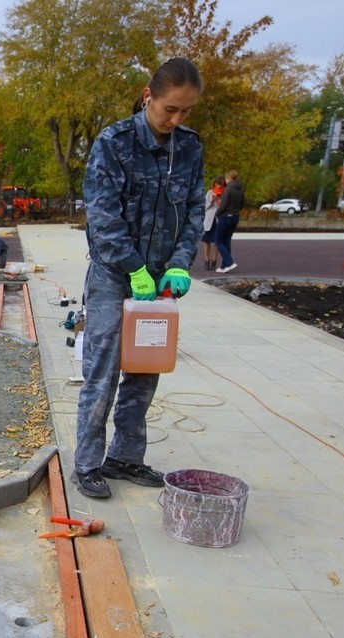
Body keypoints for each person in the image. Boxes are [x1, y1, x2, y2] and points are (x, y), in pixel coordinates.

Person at [74, 57, 205, 500]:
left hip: (161, 278)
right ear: (148, 97)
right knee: (103, 368)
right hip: (115, 274)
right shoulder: (114, 143)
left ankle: (126, 457)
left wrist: (180, 263)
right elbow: (102, 216)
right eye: (170, 109)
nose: (176, 119)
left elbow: (193, 213)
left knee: (146, 368)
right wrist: (132, 267)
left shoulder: (189, 147)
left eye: (186, 111)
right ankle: (88, 463)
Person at [214, 169, 243, 273]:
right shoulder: (240, 189)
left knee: (218, 240)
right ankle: (224, 265)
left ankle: (229, 262)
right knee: (226, 240)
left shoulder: (228, 189)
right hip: (235, 216)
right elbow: (243, 203)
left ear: (229, 178)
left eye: (226, 178)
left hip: (225, 216)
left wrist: (217, 213)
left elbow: (223, 205)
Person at [200, 175, 225, 270]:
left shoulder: (224, 194)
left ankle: (214, 260)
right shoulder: (210, 193)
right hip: (209, 220)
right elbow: (204, 207)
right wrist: (212, 201)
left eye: (221, 185)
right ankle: (206, 260)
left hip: (218, 220)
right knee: (206, 241)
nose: (218, 186)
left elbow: (222, 208)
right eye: (217, 184)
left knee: (217, 242)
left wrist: (219, 201)